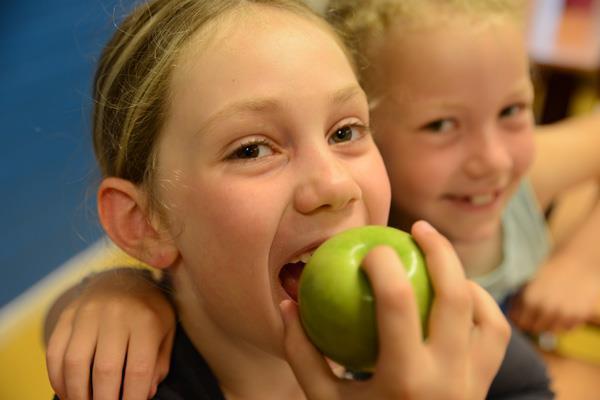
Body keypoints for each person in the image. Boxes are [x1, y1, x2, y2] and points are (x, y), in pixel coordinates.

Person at [46, 0, 515, 399]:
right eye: (251, 150)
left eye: (345, 131)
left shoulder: (436, 336)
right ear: (145, 223)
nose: (334, 185)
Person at [324, 0, 600, 334]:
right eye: (441, 125)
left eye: (511, 110)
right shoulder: (334, 231)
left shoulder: (524, 184)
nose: (495, 160)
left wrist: (583, 263)